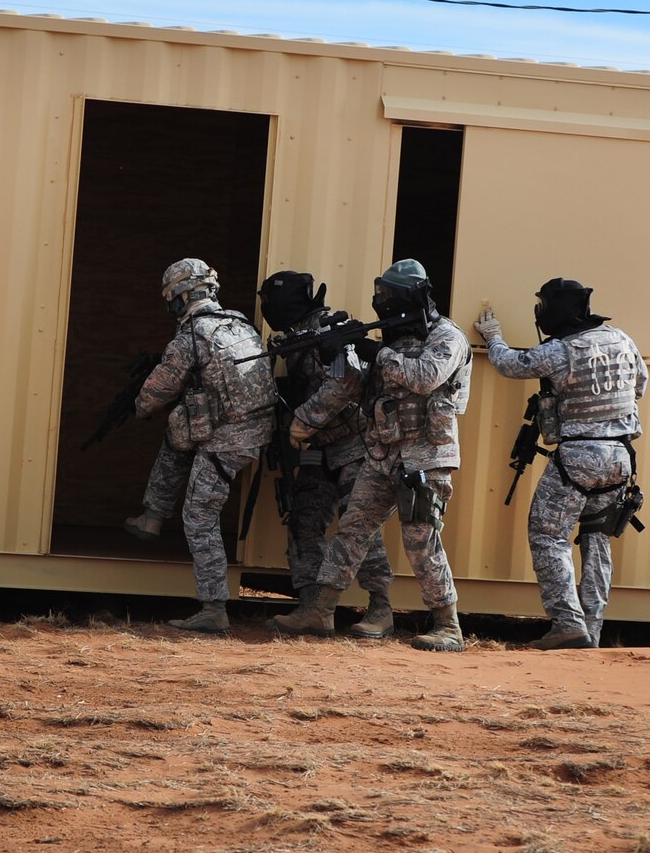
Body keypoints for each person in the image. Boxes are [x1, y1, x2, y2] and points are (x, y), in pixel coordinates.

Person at [271, 259, 471, 651]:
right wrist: (339, 356)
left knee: (421, 540)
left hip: (425, 458)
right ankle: (321, 610)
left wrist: (374, 351)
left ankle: (449, 625)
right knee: (352, 530)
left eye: (390, 295)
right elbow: (356, 387)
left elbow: (424, 377)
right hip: (383, 454)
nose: (383, 301)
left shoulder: (447, 337)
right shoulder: (394, 341)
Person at [475, 279, 646, 650]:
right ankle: (591, 631)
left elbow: (510, 364)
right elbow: (639, 387)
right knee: (597, 539)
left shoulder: (560, 349)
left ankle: (568, 625)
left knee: (548, 535)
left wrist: (493, 336)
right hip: (620, 458)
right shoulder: (622, 339)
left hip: (578, 459)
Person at [123, 258, 275, 634]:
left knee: (199, 516)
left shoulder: (191, 337)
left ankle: (213, 608)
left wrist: (138, 406)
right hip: (255, 431)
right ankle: (153, 516)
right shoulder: (240, 323)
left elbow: (154, 393)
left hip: (226, 441)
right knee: (177, 431)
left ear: (182, 295)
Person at [258, 271, 395, 638]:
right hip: (321, 448)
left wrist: (303, 420)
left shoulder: (328, 333)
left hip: (356, 446)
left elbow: (346, 383)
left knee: (361, 529)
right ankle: (314, 607)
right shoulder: (294, 337)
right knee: (303, 520)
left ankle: (380, 608)